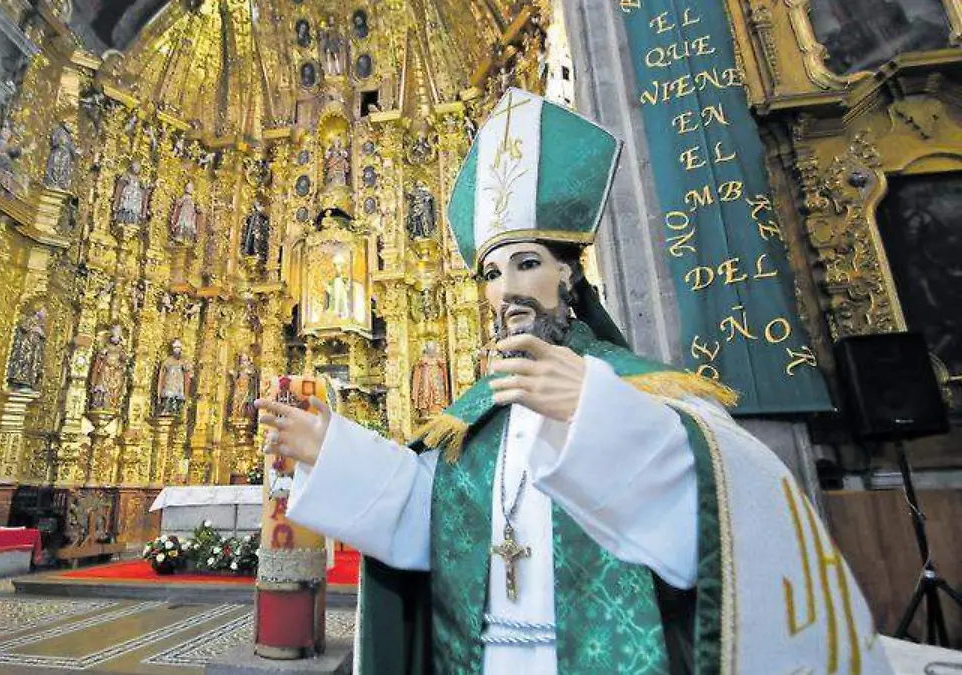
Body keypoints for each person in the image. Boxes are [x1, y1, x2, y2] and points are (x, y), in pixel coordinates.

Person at [255, 89, 892, 675]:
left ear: (569, 276)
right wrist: (333, 453)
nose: (506, 291)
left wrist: (597, 411)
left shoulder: (645, 393)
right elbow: (425, 518)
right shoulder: (476, 415)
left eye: (528, 263)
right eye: (491, 273)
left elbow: (723, 516)